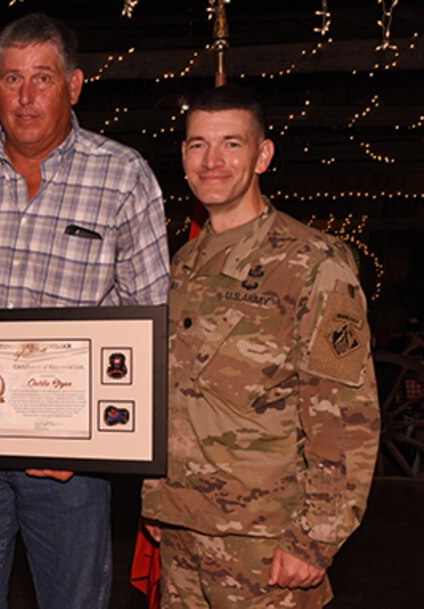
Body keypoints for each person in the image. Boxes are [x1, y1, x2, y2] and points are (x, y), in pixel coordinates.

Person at [0, 13, 170, 609]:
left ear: (74, 85)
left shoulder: (124, 177)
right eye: (11, 79)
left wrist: (92, 439)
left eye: (42, 79)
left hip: (70, 461)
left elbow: (147, 323)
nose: (25, 97)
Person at [140, 85, 380, 608]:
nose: (213, 160)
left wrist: (315, 538)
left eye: (231, 143)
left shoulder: (314, 262)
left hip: (267, 542)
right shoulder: (181, 265)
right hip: (182, 531)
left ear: (262, 155)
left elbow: (344, 416)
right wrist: (159, 498)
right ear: (183, 155)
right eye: (198, 144)